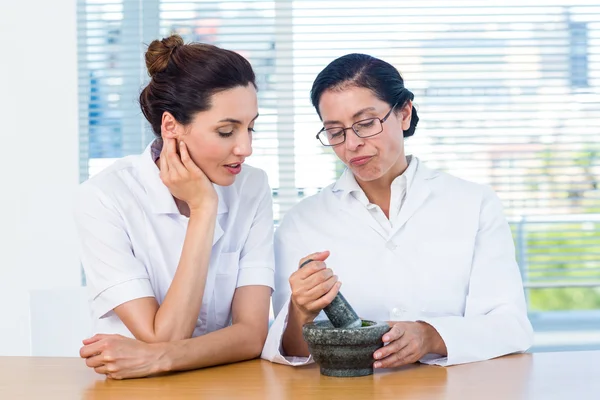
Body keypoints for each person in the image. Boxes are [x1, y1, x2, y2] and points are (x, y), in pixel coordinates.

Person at [261, 53, 533, 368]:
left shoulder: (475, 204)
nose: (352, 144)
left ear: (404, 113)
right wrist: (300, 311)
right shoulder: (301, 222)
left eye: (365, 124)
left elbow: (511, 326)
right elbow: (292, 351)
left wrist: (429, 336)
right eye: (336, 132)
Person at [75, 34, 275, 379]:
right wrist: (204, 210)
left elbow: (252, 335)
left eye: (251, 128)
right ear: (171, 126)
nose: (246, 148)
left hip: (229, 385)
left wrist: (158, 358)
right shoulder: (105, 197)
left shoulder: (252, 186)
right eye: (227, 131)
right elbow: (164, 334)